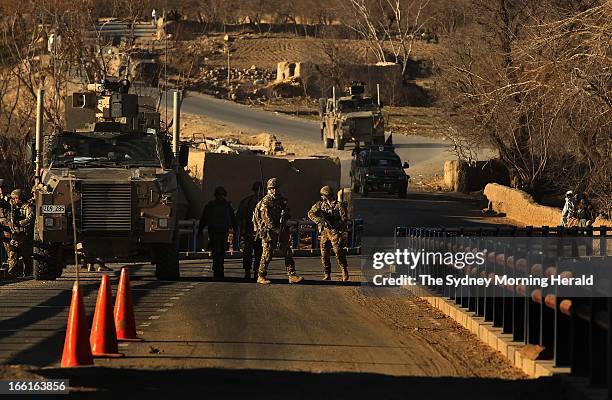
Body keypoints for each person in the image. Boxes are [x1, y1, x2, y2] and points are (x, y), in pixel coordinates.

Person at [253, 178, 303, 285]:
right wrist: (275, 228)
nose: (274, 190)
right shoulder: (266, 201)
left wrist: (285, 217)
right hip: (269, 231)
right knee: (267, 254)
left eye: (276, 188)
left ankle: (292, 275)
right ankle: (261, 276)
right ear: (268, 189)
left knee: (287, 252)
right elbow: (266, 218)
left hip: (281, 229)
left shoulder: (281, 200)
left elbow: (288, 213)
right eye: (272, 188)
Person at [308, 186, 350, 281]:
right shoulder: (321, 204)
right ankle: (327, 273)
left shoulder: (339, 205)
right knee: (324, 253)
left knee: (338, 252)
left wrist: (336, 223)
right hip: (325, 232)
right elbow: (310, 213)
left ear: (327, 195)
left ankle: (344, 270)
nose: (322, 197)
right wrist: (319, 220)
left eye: (323, 195)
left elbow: (344, 219)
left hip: (335, 231)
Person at [198, 186, 237, 279]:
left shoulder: (227, 206)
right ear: (216, 195)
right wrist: (200, 229)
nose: (221, 196)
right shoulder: (210, 205)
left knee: (222, 250)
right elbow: (204, 218)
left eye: (222, 195)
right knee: (216, 250)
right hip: (214, 231)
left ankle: (220, 268)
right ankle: (217, 268)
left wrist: (235, 229)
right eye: (219, 195)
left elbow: (233, 218)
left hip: (224, 231)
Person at [2, 190, 35, 277]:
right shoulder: (12, 206)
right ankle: (12, 272)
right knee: (12, 253)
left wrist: (20, 223)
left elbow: (30, 218)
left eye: (16, 198)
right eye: (14, 198)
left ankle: (27, 272)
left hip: (25, 233)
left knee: (26, 254)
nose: (15, 200)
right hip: (15, 233)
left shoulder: (28, 206)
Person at [236, 181, 264, 280]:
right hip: (249, 231)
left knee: (259, 254)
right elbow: (239, 216)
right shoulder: (247, 202)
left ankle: (257, 272)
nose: (258, 192)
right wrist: (241, 230)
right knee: (248, 253)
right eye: (257, 190)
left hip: (261, 232)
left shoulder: (265, 202)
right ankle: (247, 271)